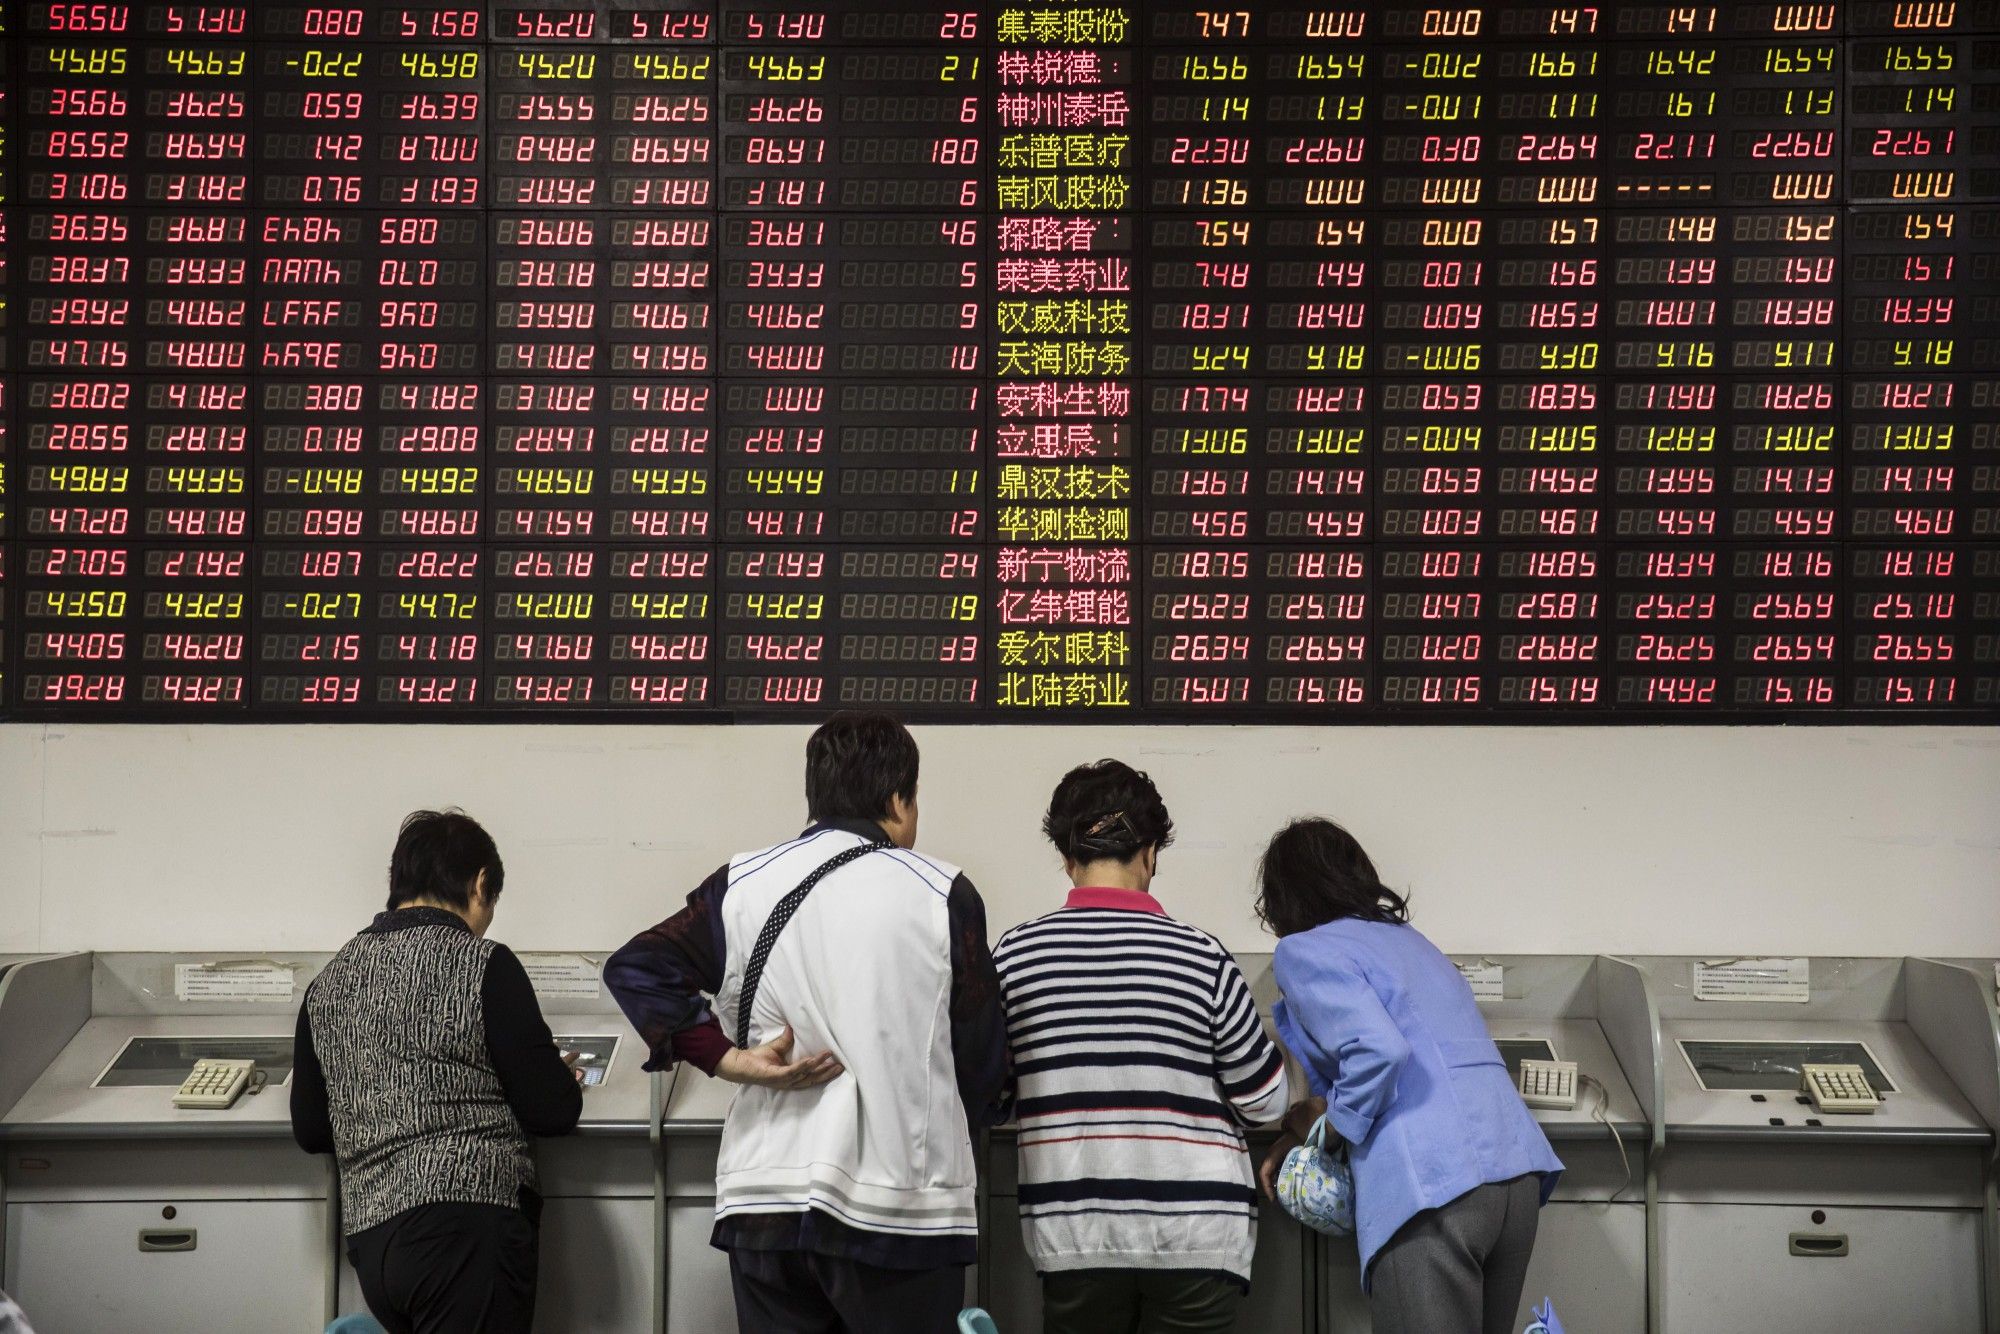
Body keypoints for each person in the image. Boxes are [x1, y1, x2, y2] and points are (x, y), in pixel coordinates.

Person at [605, 711, 1008, 1334]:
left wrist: (727, 1059)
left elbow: (637, 968)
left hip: (764, 1206)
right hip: (898, 1212)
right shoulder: (942, 893)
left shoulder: (741, 883)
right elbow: (981, 1058)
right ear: (899, 799)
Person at [993, 760, 1290, 1334]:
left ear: (1066, 856)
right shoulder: (1202, 956)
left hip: (1076, 1236)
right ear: (1152, 852)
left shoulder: (1015, 957)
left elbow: (997, 1097)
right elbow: (1266, 1102)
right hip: (1196, 1237)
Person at [1255, 818, 1562, 1334]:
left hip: (1436, 1187)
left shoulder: (1305, 950)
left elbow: (1379, 1052)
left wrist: (1327, 1136)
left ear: (1283, 895)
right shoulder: (1413, 943)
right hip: (1515, 1176)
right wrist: (1314, 1119)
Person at [292, 810, 582, 1334]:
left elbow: (312, 1130)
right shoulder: (484, 963)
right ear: (480, 885)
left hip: (374, 1243)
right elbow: (552, 1109)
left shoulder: (329, 982)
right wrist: (555, 1074)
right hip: (466, 1231)